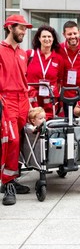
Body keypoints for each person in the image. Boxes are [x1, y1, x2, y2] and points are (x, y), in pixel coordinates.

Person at [0, 14, 32, 205]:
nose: (24, 32)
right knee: (11, 140)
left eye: (26, 29)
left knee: (20, 139)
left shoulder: (22, 53)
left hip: (23, 100)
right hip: (7, 99)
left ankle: (11, 178)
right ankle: (8, 183)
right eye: (21, 28)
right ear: (10, 27)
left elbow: (24, 79)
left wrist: (29, 101)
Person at [27, 25, 64, 119]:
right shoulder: (30, 55)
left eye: (49, 36)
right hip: (32, 99)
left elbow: (59, 80)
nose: (47, 39)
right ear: (39, 38)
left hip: (50, 100)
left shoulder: (58, 59)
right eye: (44, 36)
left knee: (48, 125)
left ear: (53, 38)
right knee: (32, 125)